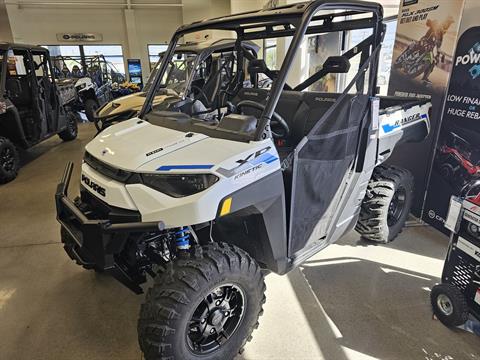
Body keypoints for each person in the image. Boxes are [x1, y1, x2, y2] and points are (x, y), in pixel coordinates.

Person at [419, 16, 454, 84]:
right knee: (415, 46)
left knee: (433, 61)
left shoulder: (441, 36)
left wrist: (439, 54)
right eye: (447, 23)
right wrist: (430, 22)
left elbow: (438, 46)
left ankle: (425, 77)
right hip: (424, 41)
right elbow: (429, 23)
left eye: (449, 24)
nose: (447, 26)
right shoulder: (436, 24)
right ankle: (403, 59)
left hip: (430, 48)